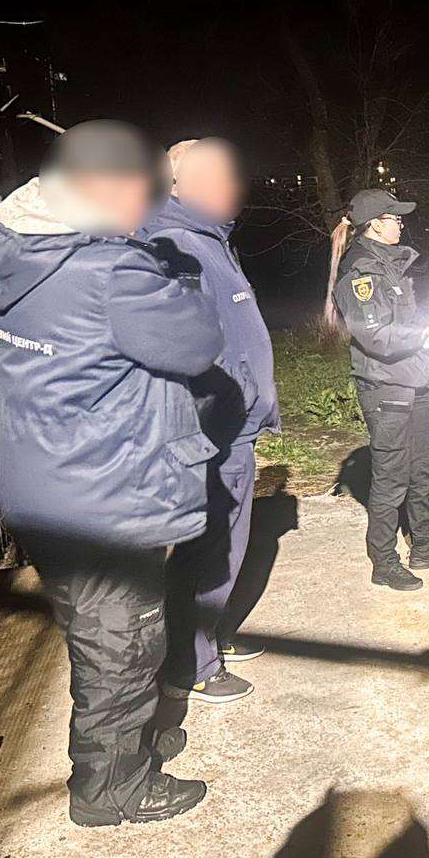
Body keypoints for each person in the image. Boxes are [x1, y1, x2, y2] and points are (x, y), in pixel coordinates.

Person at [0, 120, 223, 826]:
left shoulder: (22, 249)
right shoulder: (112, 271)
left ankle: (129, 744)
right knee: (123, 641)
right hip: (106, 492)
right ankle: (111, 788)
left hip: (49, 481)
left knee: (100, 629)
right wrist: (176, 278)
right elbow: (197, 341)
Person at [140, 139, 279, 705]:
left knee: (224, 546)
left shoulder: (210, 238)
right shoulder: (178, 243)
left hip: (230, 424)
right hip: (213, 430)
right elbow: (180, 348)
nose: (231, 186)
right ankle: (190, 665)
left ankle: (211, 637)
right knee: (209, 551)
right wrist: (215, 413)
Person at [327, 189, 429, 591]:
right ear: (375, 224)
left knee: (423, 470)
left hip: (412, 379)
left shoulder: (390, 263)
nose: (401, 224)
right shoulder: (361, 272)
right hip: (385, 386)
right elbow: (375, 336)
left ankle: (423, 545)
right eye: (395, 218)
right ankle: (384, 562)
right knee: (391, 479)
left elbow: (400, 321)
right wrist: (423, 335)